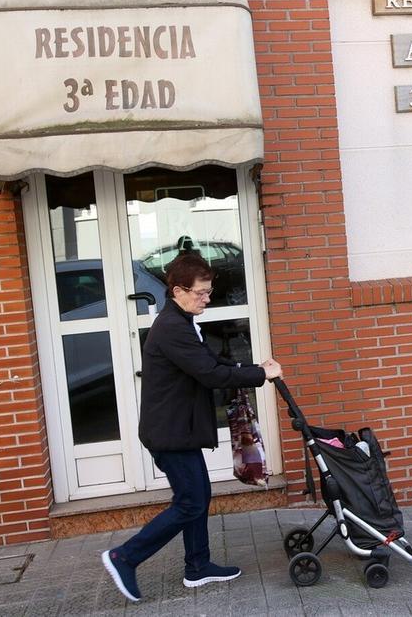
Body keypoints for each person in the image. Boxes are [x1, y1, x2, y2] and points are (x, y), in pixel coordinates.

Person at [102, 253, 282, 602]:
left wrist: (252, 366)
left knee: (197, 498)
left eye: (208, 291)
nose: (207, 298)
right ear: (178, 290)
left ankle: (198, 567)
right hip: (169, 434)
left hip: (178, 430)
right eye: (201, 292)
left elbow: (212, 361)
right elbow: (210, 375)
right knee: (189, 503)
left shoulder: (182, 322)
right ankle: (124, 556)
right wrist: (260, 375)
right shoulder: (172, 328)